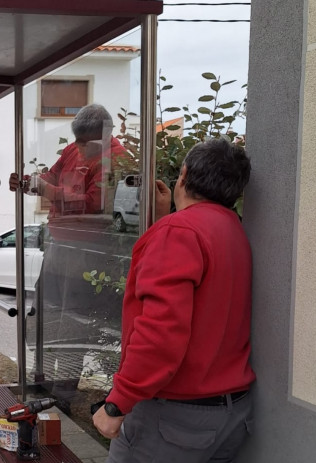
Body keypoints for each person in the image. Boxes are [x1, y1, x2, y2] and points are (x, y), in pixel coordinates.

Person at [92, 137, 254, 462]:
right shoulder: (234, 230)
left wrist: (117, 403)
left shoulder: (179, 232)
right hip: (231, 413)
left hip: (175, 420)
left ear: (183, 175)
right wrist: (167, 218)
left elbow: (160, 333)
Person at [9, 103, 129, 410]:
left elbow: (94, 205)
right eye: (76, 141)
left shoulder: (116, 160)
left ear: (105, 135)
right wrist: (29, 182)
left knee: (73, 321)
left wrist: (49, 192)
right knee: (45, 313)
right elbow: (51, 174)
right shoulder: (74, 151)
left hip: (89, 254)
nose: (77, 148)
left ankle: (63, 393)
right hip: (59, 246)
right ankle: (41, 377)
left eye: (84, 142)